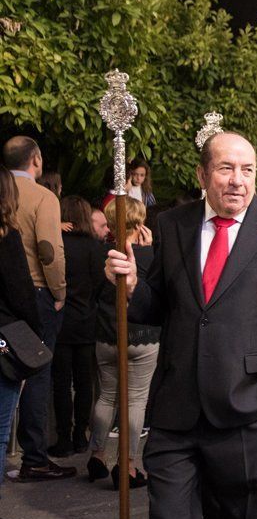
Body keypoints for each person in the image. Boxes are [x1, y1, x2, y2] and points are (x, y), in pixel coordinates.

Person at [104, 131, 257, 519]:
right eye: (226, 168)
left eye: (247, 170)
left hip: (247, 410)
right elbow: (160, 305)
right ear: (202, 174)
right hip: (176, 411)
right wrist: (130, 288)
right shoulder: (173, 224)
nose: (238, 180)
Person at [3, 136, 75, 481]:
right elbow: (49, 250)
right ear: (36, 159)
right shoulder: (43, 197)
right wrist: (59, 290)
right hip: (35, 292)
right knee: (36, 371)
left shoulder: (4, 194)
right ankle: (34, 456)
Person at [88, 197, 157, 489]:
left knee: (106, 395)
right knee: (136, 398)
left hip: (107, 333)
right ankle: (127, 465)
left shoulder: (101, 253)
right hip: (141, 336)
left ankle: (97, 454)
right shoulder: (148, 256)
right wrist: (150, 249)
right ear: (139, 221)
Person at [0, 166, 43, 519]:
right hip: (2, 343)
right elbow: (21, 294)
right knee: (0, 430)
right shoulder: (6, 236)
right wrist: (36, 333)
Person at [48, 196, 105, 458]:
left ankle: (63, 436)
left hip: (60, 320)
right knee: (84, 382)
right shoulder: (95, 247)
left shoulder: (59, 243)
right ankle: (80, 434)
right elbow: (98, 285)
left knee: (61, 382)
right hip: (85, 319)